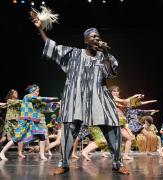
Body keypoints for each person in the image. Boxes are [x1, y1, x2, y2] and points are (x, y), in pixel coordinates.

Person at [30, 10, 129, 175]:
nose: (97, 39)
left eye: (98, 36)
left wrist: (104, 52)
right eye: (93, 37)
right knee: (69, 129)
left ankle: (117, 163)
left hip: (100, 98)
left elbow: (111, 73)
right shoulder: (73, 54)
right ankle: (64, 163)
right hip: (75, 98)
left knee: (113, 127)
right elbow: (52, 48)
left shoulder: (107, 56)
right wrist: (40, 29)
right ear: (85, 40)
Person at [0, 84, 59, 160]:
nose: (38, 93)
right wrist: (52, 98)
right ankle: (2, 152)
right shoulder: (27, 96)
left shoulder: (35, 101)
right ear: (32, 91)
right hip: (25, 121)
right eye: (37, 91)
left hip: (34, 122)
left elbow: (44, 107)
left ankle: (42, 155)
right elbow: (41, 99)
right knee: (17, 138)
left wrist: (56, 104)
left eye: (38, 91)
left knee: (42, 136)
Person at [0, 89, 24, 158]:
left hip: (16, 122)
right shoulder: (10, 101)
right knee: (5, 139)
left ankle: (19, 152)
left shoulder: (18, 102)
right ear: (11, 94)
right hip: (9, 122)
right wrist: (26, 100)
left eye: (17, 92)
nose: (17, 93)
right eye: (15, 93)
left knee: (19, 137)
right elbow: (18, 102)